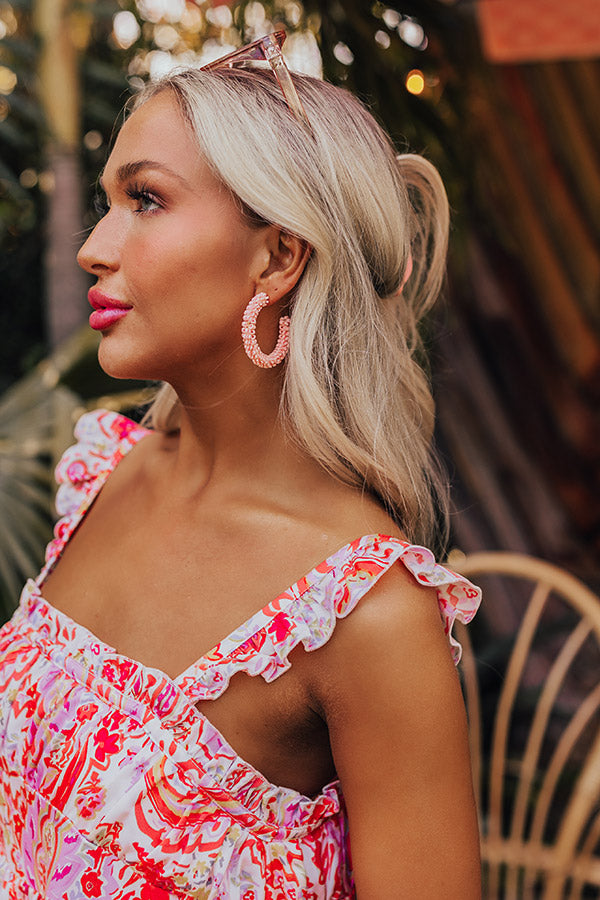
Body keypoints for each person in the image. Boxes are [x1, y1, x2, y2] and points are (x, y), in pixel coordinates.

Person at [0, 33, 482, 899]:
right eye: (109, 202)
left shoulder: (363, 616)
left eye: (147, 200)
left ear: (278, 256)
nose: (94, 247)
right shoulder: (104, 473)